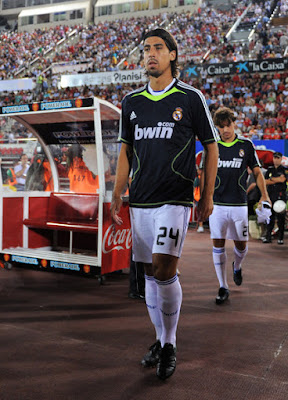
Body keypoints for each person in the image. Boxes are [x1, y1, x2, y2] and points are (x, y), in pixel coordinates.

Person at [110, 28, 219, 380]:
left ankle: (170, 343)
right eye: (146, 49)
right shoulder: (131, 103)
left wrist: (208, 192)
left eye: (158, 48)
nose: (150, 54)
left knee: (163, 269)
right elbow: (126, 151)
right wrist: (117, 193)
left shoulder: (190, 97)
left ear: (172, 55)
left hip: (174, 197)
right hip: (139, 200)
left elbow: (211, 145)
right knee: (147, 277)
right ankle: (159, 339)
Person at [208, 107, 270, 305]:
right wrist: (204, 200)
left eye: (228, 125)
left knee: (241, 246)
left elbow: (258, 173)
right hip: (216, 204)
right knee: (217, 244)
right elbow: (204, 175)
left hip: (238, 204)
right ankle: (222, 286)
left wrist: (265, 196)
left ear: (234, 123)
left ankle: (237, 266)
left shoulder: (246, 145)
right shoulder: (213, 146)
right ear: (217, 127)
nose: (225, 130)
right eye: (221, 126)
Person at [263, 152, 287, 245]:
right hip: (271, 195)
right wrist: (276, 180)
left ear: (281, 159)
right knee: (269, 216)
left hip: (281, 196)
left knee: (281, 217)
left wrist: (271, 180)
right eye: (275, 158)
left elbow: (283, 180)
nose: (276, 159)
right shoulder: (269, 169)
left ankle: (280, 238)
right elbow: (264, 182)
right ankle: (268, 237)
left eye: (278, 158)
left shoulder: (284, 170)